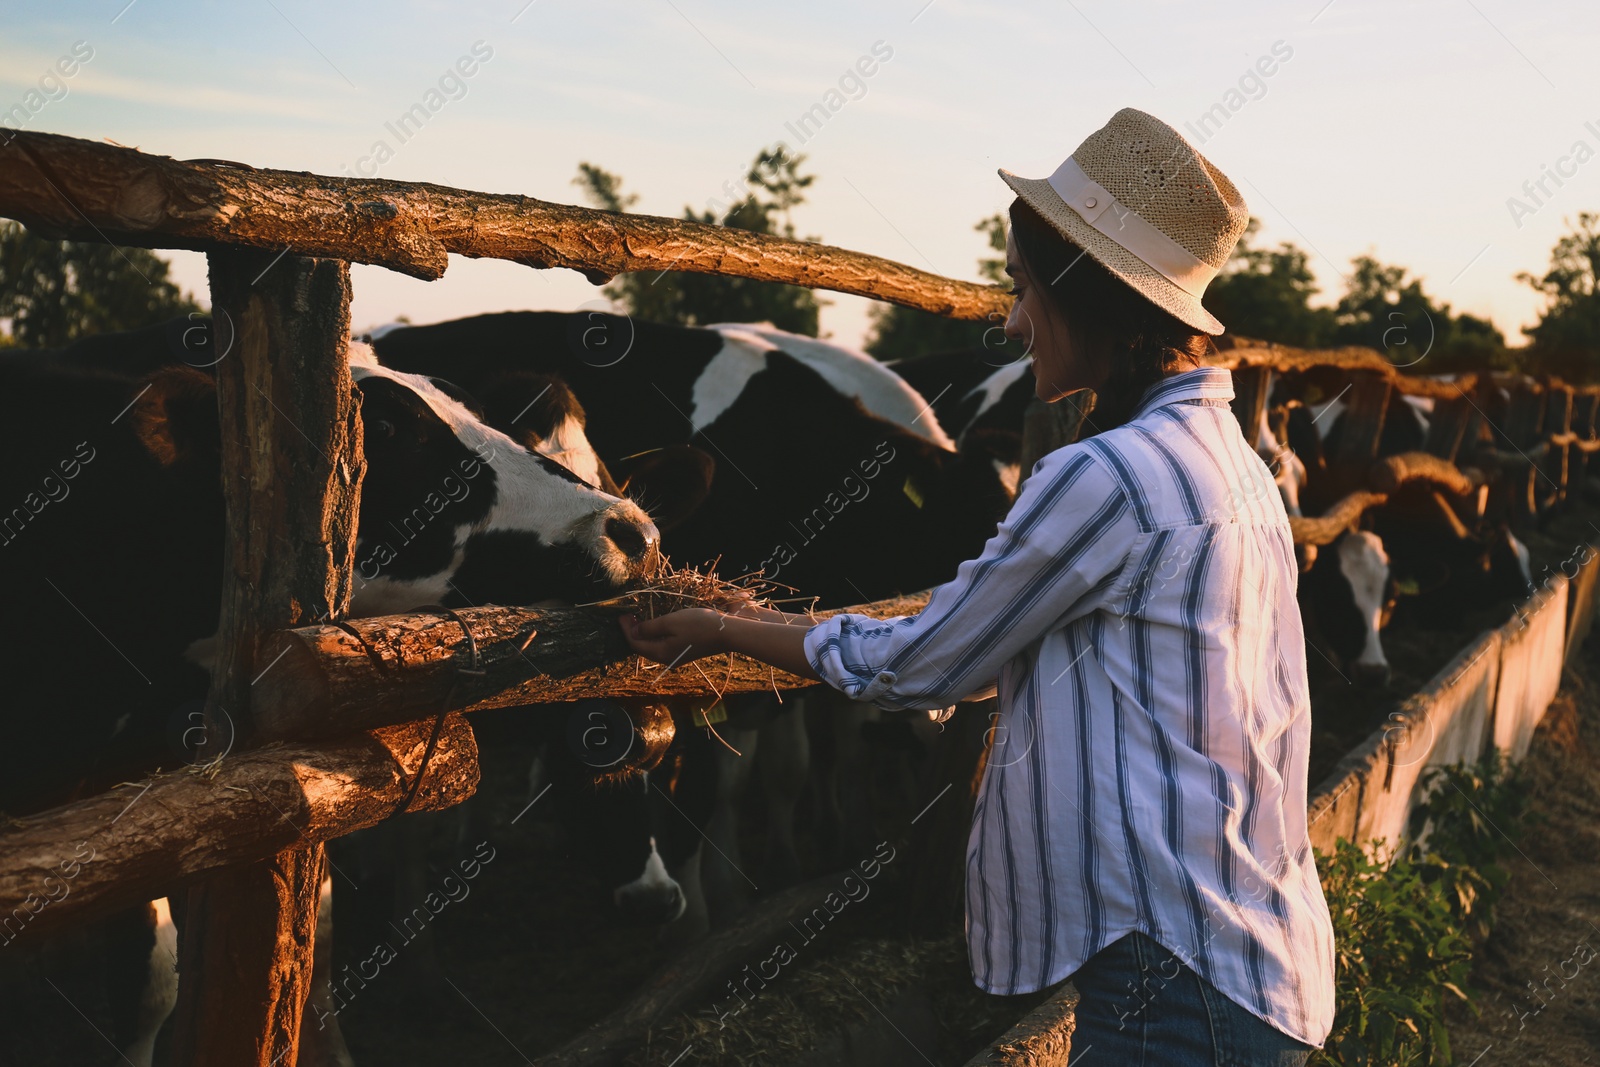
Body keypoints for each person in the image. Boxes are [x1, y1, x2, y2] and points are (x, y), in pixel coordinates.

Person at [621, 107, 1334, 1065]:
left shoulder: (1108, 476)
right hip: (1247, 951)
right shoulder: (1231, 463)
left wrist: (724, 624)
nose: (1012, 321)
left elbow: (925, 661)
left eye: (1024, 288)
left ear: (1088, 298)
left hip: (1179, 990)